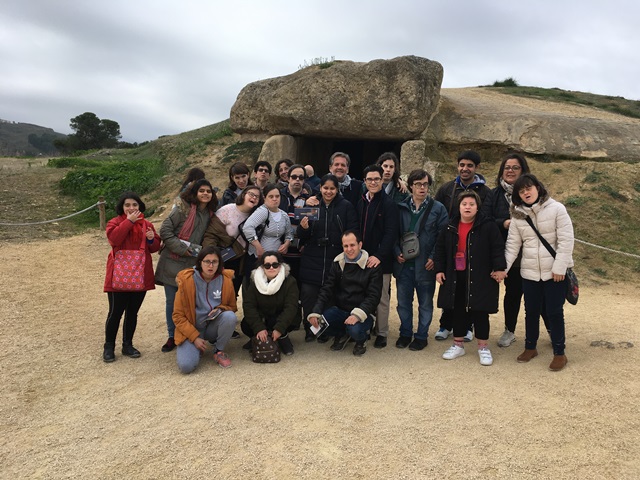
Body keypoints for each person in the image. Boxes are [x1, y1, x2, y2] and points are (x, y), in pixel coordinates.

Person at [504, 174, 574, 371]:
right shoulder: (518, 215)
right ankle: (530, 347)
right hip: (530, 271)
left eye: (529, 188)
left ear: (538, 188)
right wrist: (503, 269)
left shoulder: (557, 209)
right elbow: (512, 246)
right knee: (531, 311)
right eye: (521, 190)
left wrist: (560, 267)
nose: (526, 192)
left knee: (554, 312)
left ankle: (560, 352)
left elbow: (566, 240)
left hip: (554, 272)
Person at [482, 153, 550, 348]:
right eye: (507, 167)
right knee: (512, 293)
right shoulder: (493, 195)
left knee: (540, 294)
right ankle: (509, 330)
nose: (510, 171)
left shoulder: (531, 193)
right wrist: (504, 223)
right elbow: (484, 219)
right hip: (506, 252)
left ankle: (552, 329)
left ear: (523, 170)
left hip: (533, 252)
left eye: (515, 167)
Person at [435, 191, 506, 366]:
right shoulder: (449, 226)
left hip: (480, 273)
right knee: (458, 309)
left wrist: (499, 268)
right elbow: (440, 250)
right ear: (459, 207)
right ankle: (458, 344)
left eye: (471, 204)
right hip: (456, 274)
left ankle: (483, 346)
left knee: (480, 310)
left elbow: (497, 247)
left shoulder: (488, 225)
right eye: (464, 204)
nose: (467, 207)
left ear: (477, 207)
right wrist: (439, 270)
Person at [433, 150, 491, 342]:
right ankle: (445, 324)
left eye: (469, 165)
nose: (465, 169)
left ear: (476, 168)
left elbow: (488, 218)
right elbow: (437, 212)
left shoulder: (484, 191)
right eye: (462, 165)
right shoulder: (447, 189)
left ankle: (468, 326)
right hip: (451, 243)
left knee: (470, 289)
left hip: (474, 245)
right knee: (451, 287)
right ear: (457, 166)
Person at [155, 179, 217, 352]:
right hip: (173, 261)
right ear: (195, 193)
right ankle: (171, 336)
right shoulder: (183, 208)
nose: (205, 194)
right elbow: (165, 231)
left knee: (191, 302)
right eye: (202, 191)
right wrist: (182, 248)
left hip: (193, 263)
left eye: (208, 191)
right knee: (172, 302)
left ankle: (188, 334)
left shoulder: (210, 214)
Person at [297, 174, 359, 340]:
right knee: (309, 295)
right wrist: (303, 228)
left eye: (332, 188)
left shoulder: (346, 206)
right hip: (312, 257)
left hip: (335, 257)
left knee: (331, 296)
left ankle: (325, 330)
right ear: (320, 188)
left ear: (337, 189)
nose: (328, 191)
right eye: (325, 188)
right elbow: (301, 236)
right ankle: (310, 329)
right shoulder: (311, 204)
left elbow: (352, 230)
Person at [103, 192, 161, 363]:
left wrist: (151, 240)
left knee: (132, 312)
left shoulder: (147, 224)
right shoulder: (115, 222)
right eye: (127, 205)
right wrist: (129, 222)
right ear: (122, 207)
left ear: (140, 206)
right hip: (118, 276)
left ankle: (127, 344)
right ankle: (108, 346)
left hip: (139, 275)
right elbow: (114, 239)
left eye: (134, 205)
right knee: (115, 312)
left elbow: (155, 248)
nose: (131, 208)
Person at [394, 170, 448, 351]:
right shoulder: (401, 207)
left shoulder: (438, 208)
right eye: (418, 184)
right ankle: (405, 333)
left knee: (425, 303)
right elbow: (393, 234)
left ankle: (421, 336)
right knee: (403, 303)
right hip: (404, 265)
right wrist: (396, 252)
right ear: (411, 186)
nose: (422, 188)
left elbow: (443, 236)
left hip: (425, 264)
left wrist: (434, 257)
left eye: (425, 184)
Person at [307, 230, 382, 356]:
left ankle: (361, 340)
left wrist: (357, 315)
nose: (349, 249)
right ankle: (342, 334)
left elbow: (374, 296)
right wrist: (316, 311)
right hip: (341, 310)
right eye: (345, 246)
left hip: (363, 313)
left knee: (355, 329)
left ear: (360, 245)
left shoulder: (372, 265)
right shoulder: (338, 263)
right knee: (318, 327)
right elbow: (327, 288)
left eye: (352, 245)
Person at [172, 246, 238, 373]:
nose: (211, 265)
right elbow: (177, 316)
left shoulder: (225, 280)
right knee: (186, 367)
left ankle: (218, 350)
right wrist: (194, 337)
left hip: (212, 326)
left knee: (230, 317)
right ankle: (196, 347)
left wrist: (220, 309)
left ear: (219, 263)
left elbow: (232, 307)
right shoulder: (187, 281)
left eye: (215, 262)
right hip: (192, 328)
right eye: (207, 261)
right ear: (200, 262)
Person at [356, 164, 399, 349]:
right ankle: (366, 327)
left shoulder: (389, 204)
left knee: (381, 297)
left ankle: (382, 332)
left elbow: (391, 233)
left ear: (382, 180)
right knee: (363, 295)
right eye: (369, 179)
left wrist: (379, 256)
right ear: (364, 181)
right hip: (362, 258)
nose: (373, 182)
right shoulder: (362, 201)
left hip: (381, 260)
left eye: (376, 179)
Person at [203, 185, 263, 295]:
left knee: (231, 294)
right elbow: (211, 235)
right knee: (215, 294)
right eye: (251, 194)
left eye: (257, 197)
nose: (254, 198)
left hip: (240, 262)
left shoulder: (257, 216)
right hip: (222, 258)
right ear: (243, 195)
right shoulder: (227, 210)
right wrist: (211, 257)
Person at [241, 251, 299, 355]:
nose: (271, 268)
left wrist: (279, 329)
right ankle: (257, 338)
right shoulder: (255, 281)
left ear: (280, 266)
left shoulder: (290, 281)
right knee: (246, 325)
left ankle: (283, 337)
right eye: (267, 265)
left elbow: (291, 307)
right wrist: (258, 328)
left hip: (279, 318)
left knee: (285, 320)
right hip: (262, 317)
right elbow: (249, 306)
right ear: (262, 267)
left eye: (275, 265)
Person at [242, 183, 294, 282]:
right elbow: (247, 228)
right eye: (271, 196)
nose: (275, 199)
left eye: (277, 196)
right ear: (264, 198)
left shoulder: (284, 215)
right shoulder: (262, 211)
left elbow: (289, 233)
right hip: (258, 258)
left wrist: (286, 244)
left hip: (275, 260)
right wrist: (258, 247)